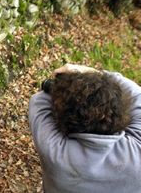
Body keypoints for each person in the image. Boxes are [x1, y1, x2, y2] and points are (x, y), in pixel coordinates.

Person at [29, 63, 141, 192]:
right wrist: (97, 73)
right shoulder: (137, 148)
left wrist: (59, 87)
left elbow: (38, 101)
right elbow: (137, 94)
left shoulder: (54, 150)